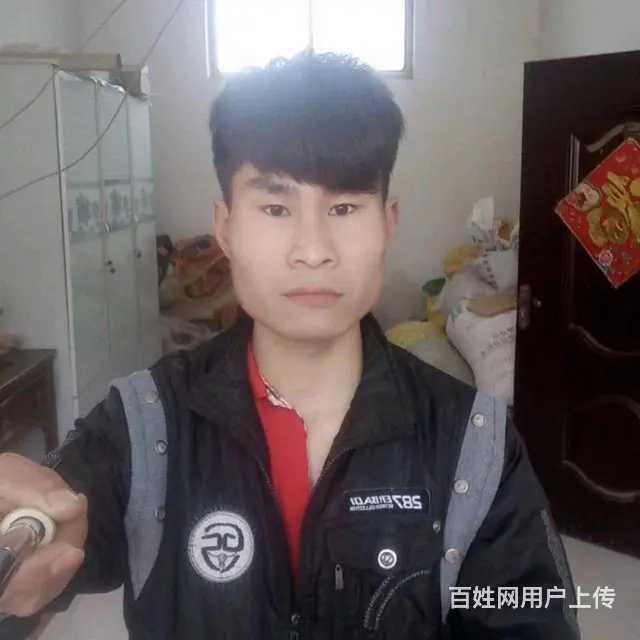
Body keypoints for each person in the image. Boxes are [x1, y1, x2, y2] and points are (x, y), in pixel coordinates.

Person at [0, 52, 580, 640]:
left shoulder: (473, 442)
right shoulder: (143, 423)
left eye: (344, 207)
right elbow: (58, 520)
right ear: (225, 227)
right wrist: (25, 540)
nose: (313, 250)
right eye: (275, 207)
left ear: (389, 222)